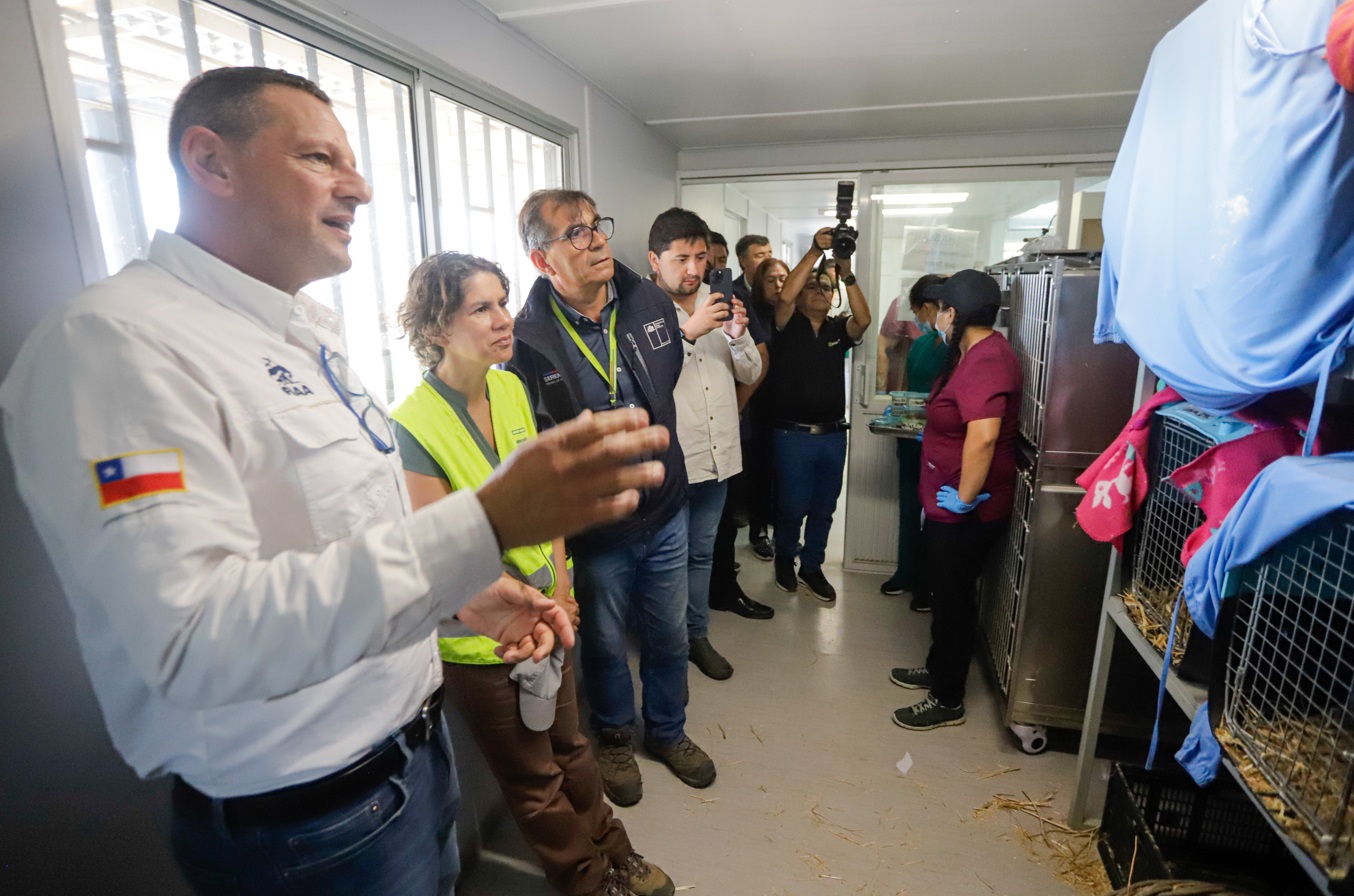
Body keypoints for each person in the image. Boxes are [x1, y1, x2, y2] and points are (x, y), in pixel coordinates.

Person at [0, 67, 668, 896]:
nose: (360, 187)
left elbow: (350, 534)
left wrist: (469, 593)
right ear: (211, 162)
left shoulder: (302, 338)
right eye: (321, 158)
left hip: (410, 762)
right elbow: (191, 639)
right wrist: (486, 524)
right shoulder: (116, 345)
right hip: (310, 821)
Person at [391, 252, 674, 896]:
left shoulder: (509, 386)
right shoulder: (411, 425)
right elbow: (444, 554)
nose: (503, 320)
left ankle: (616, 853)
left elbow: (546, 498)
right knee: (536, 781)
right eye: (481, 308)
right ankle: (586, 882)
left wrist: (565, 589)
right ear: (437, 327)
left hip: (550, 614)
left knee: (572, 749)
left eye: (503, 301)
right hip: (486, 637)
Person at [508, 189, 716, 807]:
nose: (596, 239)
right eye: (575, 233)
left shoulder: (647, 298)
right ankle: (617, 739)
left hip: (665, 505)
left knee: (669, 633)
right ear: (542, 260)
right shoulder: (529, 339)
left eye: (596, 226)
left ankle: (670, 733)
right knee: (601, 642)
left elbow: (667, 374)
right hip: (598, 527)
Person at [889, 269, 1022, 731]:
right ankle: (937, 666)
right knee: (946, 595)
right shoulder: (969, 353)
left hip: (966, 508)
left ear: (953, 313)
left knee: (953, 600)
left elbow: (983, 438)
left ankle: (948, 698)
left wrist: (964, 499)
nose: (936, 318)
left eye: (941, 310)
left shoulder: (987, 360)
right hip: (946, 502)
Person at [647, 208, 763, 681]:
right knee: (666, 562)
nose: (693, 269)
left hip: (717, 458)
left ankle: (697, 635)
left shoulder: (718, 303)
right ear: (656, 261)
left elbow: (752, 373)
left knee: (702, 554)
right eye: (681, 259)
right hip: (672, 463)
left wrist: (736, 337)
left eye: (701, 257)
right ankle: (668, 644)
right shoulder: (639, 313)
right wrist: (687, 333)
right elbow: (646, 383)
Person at [768, 229, 873, 602]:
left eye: (826, 288)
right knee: (792, 506)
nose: (819, 291)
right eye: (812, 287)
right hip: (791, 436)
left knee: (824, 508)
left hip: (832, 436)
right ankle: (785, 559)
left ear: (833, 299)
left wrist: (845, 273)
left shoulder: (837, 329)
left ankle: (812, 566)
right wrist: (815, 253)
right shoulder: (786, 325)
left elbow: (865, 319)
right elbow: (783, 296)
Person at [880, 274, 949, 603]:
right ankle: (904, 571)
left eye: (920, 313)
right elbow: (907, 386)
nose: (919, 321)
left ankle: (927, 584)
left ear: (932, 307)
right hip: (910, 440)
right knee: (909, 507)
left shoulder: (955, 350)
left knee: (932, 514)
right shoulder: (922, 344)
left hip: (940, 445)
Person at [738, 258, 790, 563]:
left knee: (784, 473)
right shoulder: (750, 314)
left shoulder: (790, 315)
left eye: (784, 278)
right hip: (757, 404)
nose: (778, 285)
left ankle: (781, 526)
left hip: (787, 404)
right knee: (759, 470)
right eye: (771, 279)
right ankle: (759, 531)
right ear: (759, 282)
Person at [732, 233, 774, 301]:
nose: (768, 260)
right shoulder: (732, 293)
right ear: (743, 261)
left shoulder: (778, 289)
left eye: (769, 255)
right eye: (760, 255)